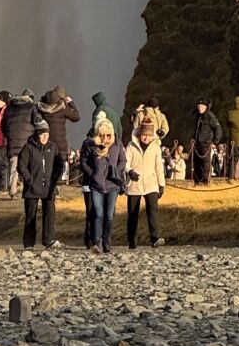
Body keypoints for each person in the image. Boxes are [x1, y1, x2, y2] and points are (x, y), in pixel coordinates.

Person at [81, 121, 127, 253]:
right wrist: (92, 174)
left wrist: (117, 171)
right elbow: (83, 161)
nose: (105, 138)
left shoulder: (117, 145)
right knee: (98, 213)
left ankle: (107, 241)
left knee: (109, 215)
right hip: (96, 185)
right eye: (102, 135)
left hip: (112, 185)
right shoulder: (91, 145)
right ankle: (96, 242)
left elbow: (123, 160)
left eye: (108, 135)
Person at [18, 119, 59, 249]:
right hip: (32, 187)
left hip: (49, 187)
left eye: (47, 135)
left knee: (50, 213)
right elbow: (21, 165)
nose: (45, 138)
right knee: (31, 215)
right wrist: (29, 179)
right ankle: (29, 243)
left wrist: (54, 179)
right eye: (42, 135)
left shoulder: (52, 147)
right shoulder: (28, 148)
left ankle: (49, 240)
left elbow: (59, 164)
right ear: (37, 134)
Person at [125, 119, 165, 249]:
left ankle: (155, 238)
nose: (146, 138)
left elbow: (159, 166)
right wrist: (129, 171)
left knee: (153, 211)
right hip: (134, 183)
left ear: (152, 135)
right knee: (133, 213)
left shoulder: (156, 147)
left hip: (151, 182)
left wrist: (161, 184)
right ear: (139, 134)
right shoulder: (131, 145)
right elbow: (126, 161)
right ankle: (132, 240)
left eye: (148, 135)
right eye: (144, 135)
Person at [2, 91, 44, 196]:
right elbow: (38, 122)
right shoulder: (32, 107)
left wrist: (9, 136)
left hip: (13, 141)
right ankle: (30, 189)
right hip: (27, 142)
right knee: (29, 167)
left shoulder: (9, 108)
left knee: (13, 168)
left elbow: (3, 126)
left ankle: (12, 191)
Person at [40, 88, 81, 182]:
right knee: (59, 165)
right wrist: (71, 103)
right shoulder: (63, 108)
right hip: (60, 142)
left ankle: (46, 183)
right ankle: (56, 185)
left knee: (46, 164)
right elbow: (76, 117)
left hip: (46, 140)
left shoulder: (42, 109)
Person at [190, 101, 221, 184]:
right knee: (197, 163)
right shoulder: (197, 116)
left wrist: (215, 142)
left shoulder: (210, 117)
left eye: (201, 107)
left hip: (206, 143)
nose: (200, 108)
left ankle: (205, 181)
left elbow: (217, 129)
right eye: (198, 106)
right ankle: (197, 180)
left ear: (205, 107)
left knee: (205, 163)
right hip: (197, 143)